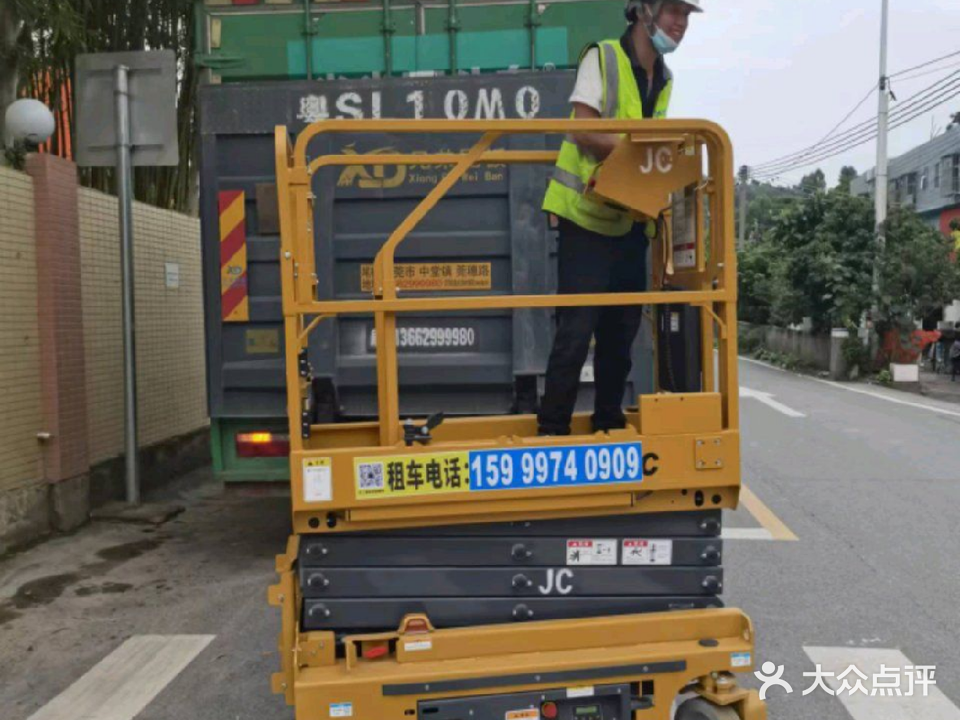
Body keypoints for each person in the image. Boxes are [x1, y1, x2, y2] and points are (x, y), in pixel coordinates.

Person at [538, 0, 703, 436]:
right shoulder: (603, 57)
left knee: (622, 332)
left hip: (631, 219)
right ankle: (552, 429)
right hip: (586, 217)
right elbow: (583, 129)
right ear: (644, 11)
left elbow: (649, 150)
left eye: (687, 16)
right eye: (674, 12)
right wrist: (642, 154)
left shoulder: (663, 78)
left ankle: (608, 424)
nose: (680, 24)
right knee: (576, 332)